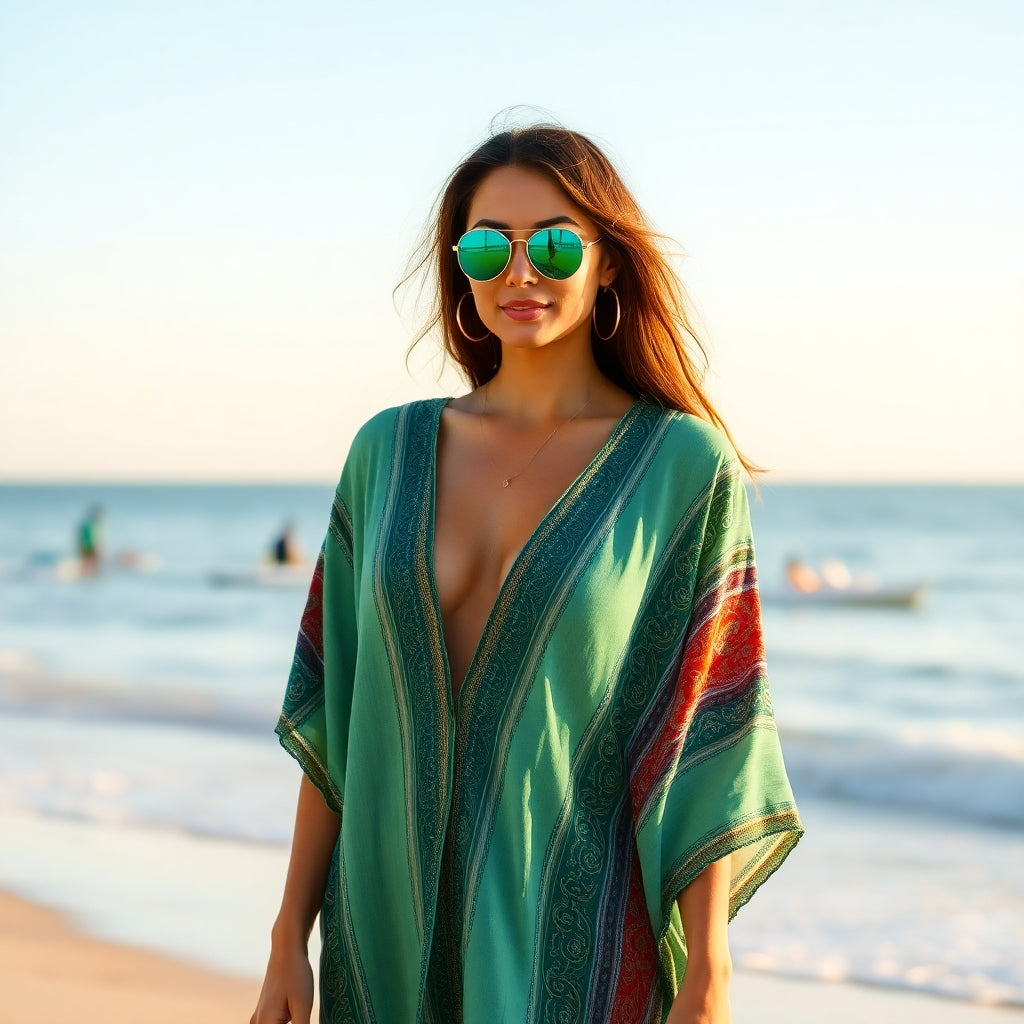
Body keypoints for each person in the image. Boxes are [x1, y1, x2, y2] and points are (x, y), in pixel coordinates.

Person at [252, 123, 803, 1024]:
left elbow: (705, 729)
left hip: (574, 931)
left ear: (609, 261)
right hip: (379, 922)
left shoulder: (680, 467)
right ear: (459, 266)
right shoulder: (384, 454)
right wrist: (287, 941)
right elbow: (336, 715)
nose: (520, 274)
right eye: (486, 247)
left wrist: (711, 972)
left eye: (552, 243)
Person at [76, 505, 104, 576]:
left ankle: (86, 575)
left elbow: (80, 537)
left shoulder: (85, 524)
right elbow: (96, 538)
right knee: (93, 564)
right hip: (90, 546)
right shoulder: (94, 525)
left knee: (87, 564)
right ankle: (90, 575)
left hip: (85, 546)